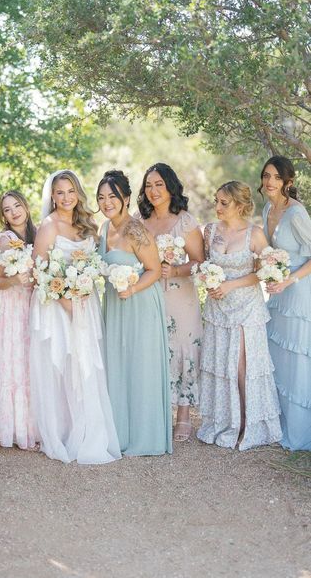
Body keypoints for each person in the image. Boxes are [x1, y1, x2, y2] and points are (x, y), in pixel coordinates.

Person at [30, 169, 121, 464]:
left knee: (86, 364)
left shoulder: (88, 225)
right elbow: (39, 270)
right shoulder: (48, 226)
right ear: (52, 196)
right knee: (64, 362)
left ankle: (89, 429)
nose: (66, 198)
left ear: (78, 193)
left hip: (86, 302)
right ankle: (65, 430)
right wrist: (65, 299)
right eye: (60, 192)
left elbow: (94, 264)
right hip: (56, 305)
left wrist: (83, 289)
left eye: (70, 191)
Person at [197, 181, 282, 450]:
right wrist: (208, 282)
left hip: (246, 307)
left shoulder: (254, 235)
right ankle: (225, 422)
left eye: (224, 202)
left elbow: (264, 272)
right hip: (217, 309)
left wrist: (230, 285)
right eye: (216, 201)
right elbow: (203, 265)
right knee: (222, 365)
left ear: (240, 205)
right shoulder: (209, 231)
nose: (217, 207)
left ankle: (248, 424)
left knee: (242, 368)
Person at [98, 169, 172, 456]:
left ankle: (145, 435)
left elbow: (154, 270)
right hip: (116, 306)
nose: (107, 202)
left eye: (113, 197)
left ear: (126, 198)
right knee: (118, 364)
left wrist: (132, 289)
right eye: (102, 197)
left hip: (139, 303)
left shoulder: (135, 229)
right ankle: (119, 431)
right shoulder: (104, 229)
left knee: (140, 366)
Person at [138, 163, 204, 441]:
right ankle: (157, 412)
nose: (153, 191)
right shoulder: (138, 221)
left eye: (159, 185)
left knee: (182, 350)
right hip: (149, 296)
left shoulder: (185, 222)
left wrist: (175, 270)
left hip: (180, 297)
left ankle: (184, 416)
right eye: (149, 185)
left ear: (171, 186)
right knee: (154, 350)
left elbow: (200, 261)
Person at [261, 156, 311, 451]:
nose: (269, 182)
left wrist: (288, 280)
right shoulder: (268, 208)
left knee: (295, 359)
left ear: (288, 183)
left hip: (298, 291)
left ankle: (300, 432)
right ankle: (278, 425)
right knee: (277, 356)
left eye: (276, 178)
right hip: (276, 292)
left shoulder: (297, 214)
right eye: (267, 176)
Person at [0, 191, 38, 449]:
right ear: (2, 216)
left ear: (25, 207)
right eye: (7, 209)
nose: (14, 212)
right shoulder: (4, 240)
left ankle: (33, 426)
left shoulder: (37, 236)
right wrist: (16, 279)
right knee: (12, 362)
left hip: (33, 305)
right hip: (11, 308)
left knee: (30, 363)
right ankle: (11, 428)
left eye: (17, 205)